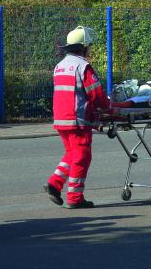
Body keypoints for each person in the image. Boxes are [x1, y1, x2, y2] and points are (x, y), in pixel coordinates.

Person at [45, 26, 111, 209]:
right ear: (83, 47)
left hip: (61, 118)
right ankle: (75, 197)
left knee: (71, 153)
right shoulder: (83, 67)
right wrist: (108, 107)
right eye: (89, 46)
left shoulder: (60, 66)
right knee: (82, 157)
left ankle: (55, 183)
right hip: (77, 120)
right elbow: (96, 95)